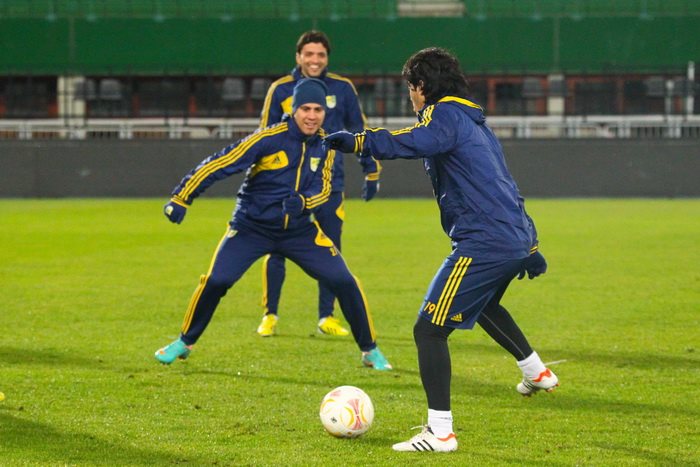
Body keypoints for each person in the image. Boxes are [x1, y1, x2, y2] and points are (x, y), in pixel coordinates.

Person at [324, 47, 558, 452]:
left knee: (429, 330)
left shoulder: (442, 115)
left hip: (484, 240)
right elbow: (505, 183)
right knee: (483, 303)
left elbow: (413, 142)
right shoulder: (474, 121)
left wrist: (359, 141)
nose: (410, 97)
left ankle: (440, 433)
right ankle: (536, 372)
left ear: (421, 86)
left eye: (410, 88)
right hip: (511, 235)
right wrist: (531, 243)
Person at [154, 78, 392, 371]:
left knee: (345, 281)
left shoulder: (326, 145)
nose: (312, 116)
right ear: (294, 109)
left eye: (318, 109)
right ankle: (185, 342)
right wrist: (182, 197)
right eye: (305, 108)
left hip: (299, 232)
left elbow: (324, 188)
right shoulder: (267, 138)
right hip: (251, 228)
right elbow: (221, 163)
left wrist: (304, 202)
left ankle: (370, 350)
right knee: (217, 281)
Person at [256, 30, 381, 338]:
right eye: (309, 54)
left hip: (329, 183)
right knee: (276, 247)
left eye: (321, 55)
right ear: (298, 56)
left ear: (327, 58)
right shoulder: (280, 89)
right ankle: (270, 314)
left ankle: (327, 317)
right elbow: (264, 137)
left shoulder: (342, 88)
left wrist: (371, 170)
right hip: (286, 184)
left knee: (330, 250)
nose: (315, 60)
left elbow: (358, 131)